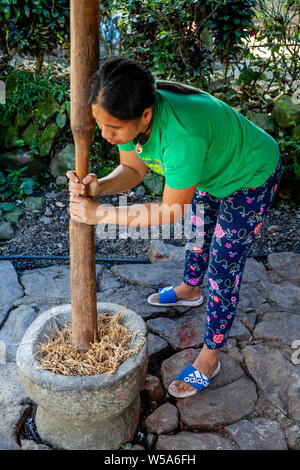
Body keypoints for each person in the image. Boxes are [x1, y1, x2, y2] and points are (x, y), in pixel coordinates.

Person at [67, 56, 282, 398]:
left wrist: (102, 214)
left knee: (224, 269)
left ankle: (210, 358)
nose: (106, 136)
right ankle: (190, 289)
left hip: (251, 175)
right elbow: (133, 170)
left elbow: (170, 212)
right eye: (99, 124)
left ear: (146, 116)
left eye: (114, 128)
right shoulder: (131, 108)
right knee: (199, 237)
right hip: (211, 171)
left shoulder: (181, 137)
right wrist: (99, 187)